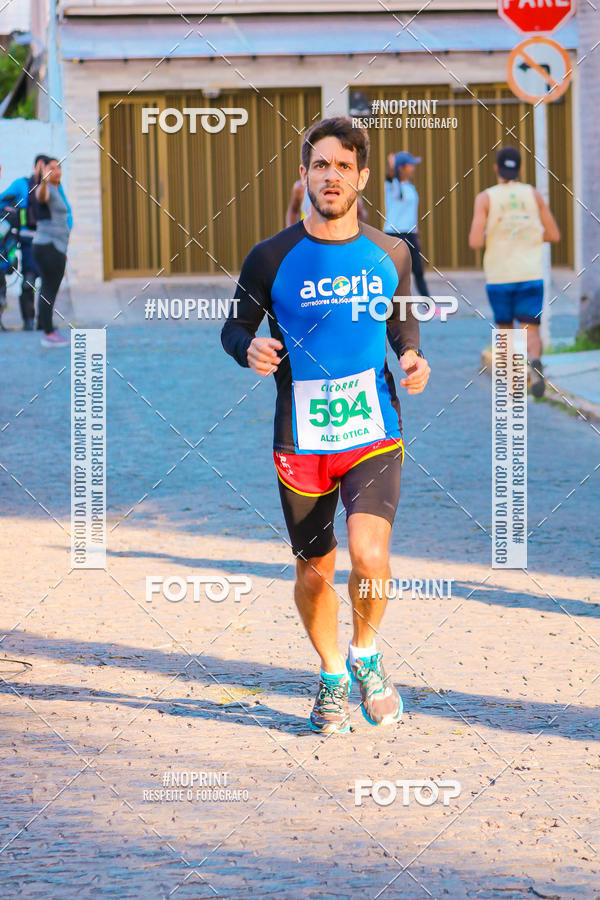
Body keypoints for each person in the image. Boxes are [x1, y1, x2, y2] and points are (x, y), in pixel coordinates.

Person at [222, 117, 430, 734]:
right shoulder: (270, 256)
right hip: (302, 438)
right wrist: (248, 350)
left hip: (375, 426)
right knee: (315, 570)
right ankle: (332, 674)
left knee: (369, 554)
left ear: (363, 177)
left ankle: (367, 656)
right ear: (305, 176)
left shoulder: (392, 251)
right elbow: (236, 327)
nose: (331, 176)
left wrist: (412, 358)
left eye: (343, 166)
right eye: (320, 165)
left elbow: (400, 321)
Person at [469, 147, 560, 398]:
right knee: (531, 328)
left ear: (496, 168)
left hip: (500, 276)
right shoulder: (533, 194)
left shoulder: (485, 198)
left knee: (505, 329)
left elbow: (475, 241)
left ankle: (513, 385)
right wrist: (528, 235)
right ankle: (536, 361)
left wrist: (497, 234)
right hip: (530, 273)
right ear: (520, 168)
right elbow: (553, 234)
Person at [0, 155, 61, 330]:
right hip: (29, 241)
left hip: (50, 241)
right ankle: (28, 321)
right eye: (43, 167)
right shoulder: (22, 184)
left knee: (48, 282)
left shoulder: (53, 187)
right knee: (29, 279)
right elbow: (2, 200)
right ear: (36, 167)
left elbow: (65, 213)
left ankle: (44, 321)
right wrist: (10, 212)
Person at [33, 158, 72, 347]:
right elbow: (41, 196)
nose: (57, 170)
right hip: (49, 245)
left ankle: (48, 327)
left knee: (49, 289)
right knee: (49, 289)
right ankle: (48, 333)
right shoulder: (46, 189)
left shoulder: (58, 190)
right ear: (45, 171)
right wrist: (44, 181)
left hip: (55, 247)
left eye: (59, 167)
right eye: (52, 168)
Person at [384, 151, 431, 298]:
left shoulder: (410, 187)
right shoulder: (392, 186)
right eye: (411, 165)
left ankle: (428, 305)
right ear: (402, 168)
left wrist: (416, 235)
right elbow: (390, 177)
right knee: (394, 274)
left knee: (418, 271)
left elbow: (411, 214)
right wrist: (391, 167)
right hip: (394, 235)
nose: (413, 168)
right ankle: (387, 308)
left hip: (410, 234)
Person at [286, 177, 368, 227]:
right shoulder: (301, 188)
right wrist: (291, 234)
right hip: (308, 242)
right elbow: (293, 210)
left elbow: (360, 213)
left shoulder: (340, 190)